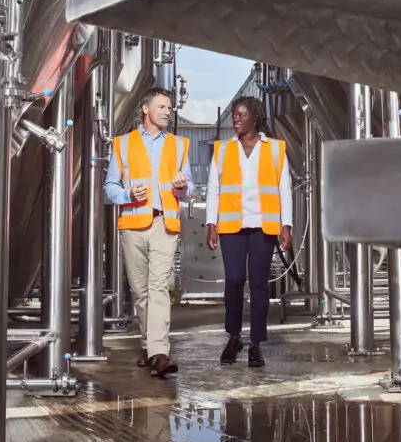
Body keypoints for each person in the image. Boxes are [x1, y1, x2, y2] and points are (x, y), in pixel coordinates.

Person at [104, 87, 193, 378]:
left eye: (170, 107)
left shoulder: (180, 145)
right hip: (133, 224)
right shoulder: (122, 144)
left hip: (164, 224)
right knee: (140, 292)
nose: (168, 111)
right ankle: (148, 343)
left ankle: (159, 353)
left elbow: (189, 188)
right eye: (162, 106)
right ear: (145, 109)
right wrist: (129, 193)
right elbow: (109, 188)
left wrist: (182, 187)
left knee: (158, 288)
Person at [205, 97, 292, 368]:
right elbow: (214, 189)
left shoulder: (276, 149)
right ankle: (234, 336)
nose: (236, 119)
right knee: (233, 281)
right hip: (231, 226)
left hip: (263, 226)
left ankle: (256, 344)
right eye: (234, 115)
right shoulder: (222, 150)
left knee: (258, 285)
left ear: (254, 117)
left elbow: (284, 189)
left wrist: (286, 225)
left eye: (242, 115)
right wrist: (211, 223)